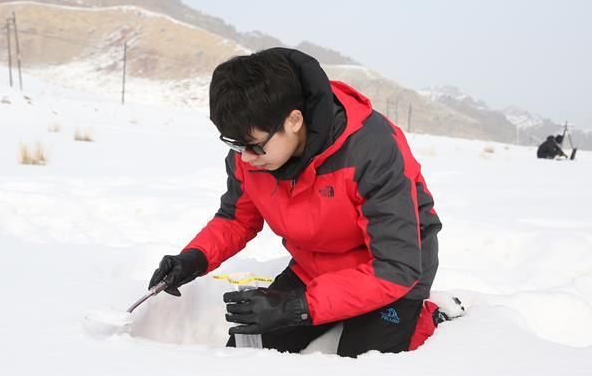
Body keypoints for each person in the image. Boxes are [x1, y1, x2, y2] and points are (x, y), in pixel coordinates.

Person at [148, 47, 448, 357]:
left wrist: (296, 307)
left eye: (254, 146)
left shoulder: (371, 149)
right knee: (244, 352)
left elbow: (397, 266)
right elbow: (237, 218)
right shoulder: (251, 152)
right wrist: (193, 258)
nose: (246, 158)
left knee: (361, 368)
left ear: (294, 120)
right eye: (235, 145)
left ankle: (424, 319)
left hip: (390, 273)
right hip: (314, 268)